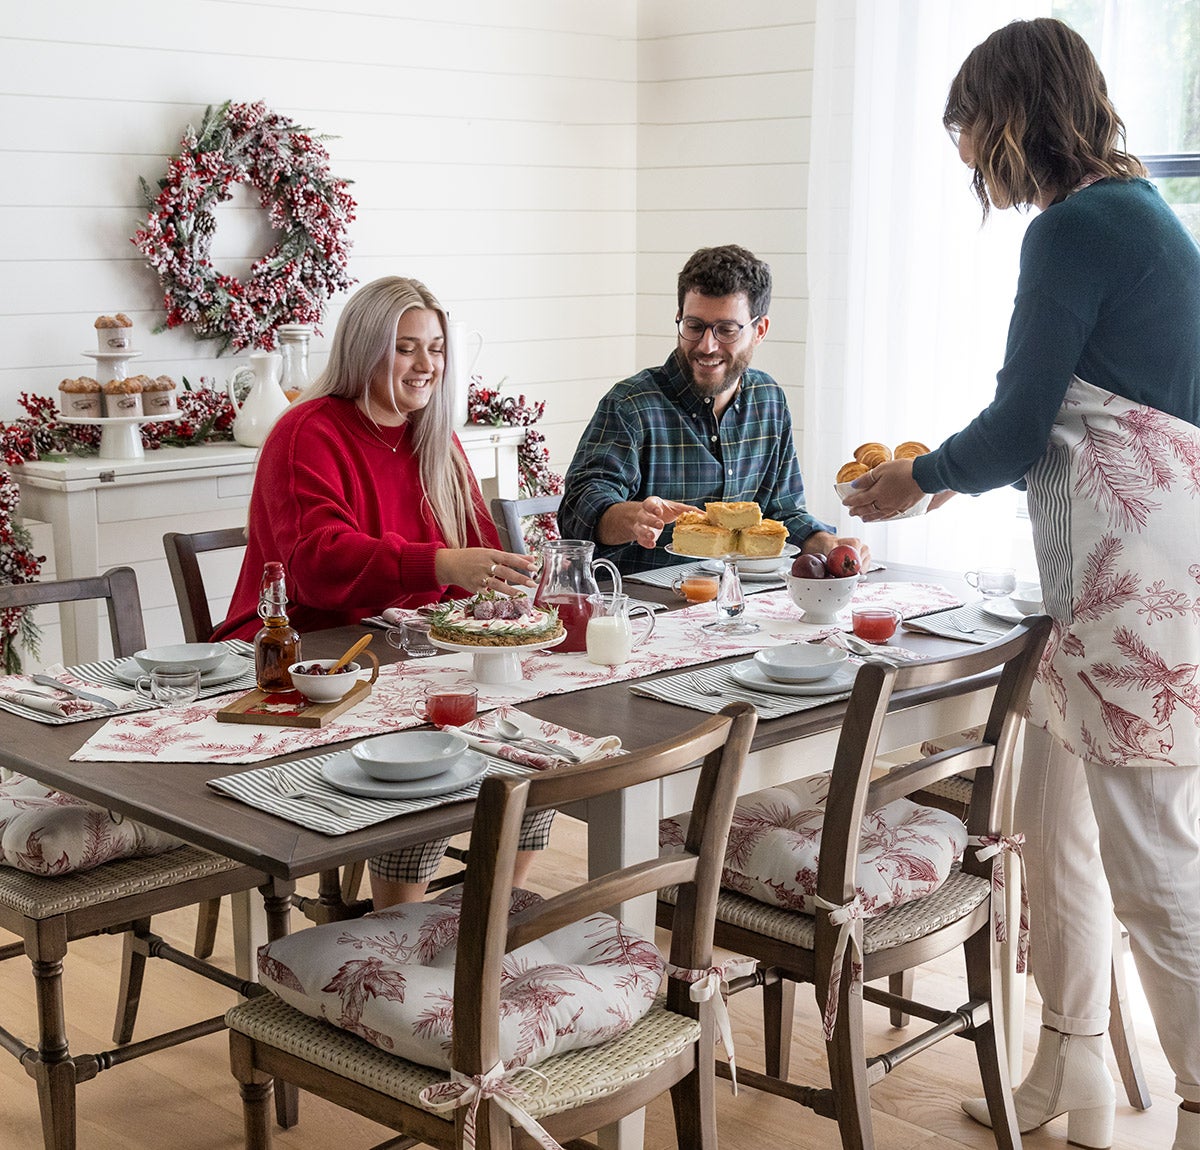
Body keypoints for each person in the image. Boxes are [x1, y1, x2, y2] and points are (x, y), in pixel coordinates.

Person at [843, 20, 1200, 1150]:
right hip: (1108, 589)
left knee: (1152, 867)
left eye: (966, 131)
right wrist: (956, 474)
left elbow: (1015, 424)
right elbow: (1059, 417)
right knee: (1059, 836)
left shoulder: (1077, 226)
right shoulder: (1137, 215)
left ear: (1011, 118)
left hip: (1132, 598)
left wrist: (917, 479)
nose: (964, 161)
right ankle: (1068, 1061)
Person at [212, 276, 548, 910]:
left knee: (527, 754)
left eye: (437, 348)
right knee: (414, 762)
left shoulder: (433, 438)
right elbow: (314, 560)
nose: (427, 365)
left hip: (405, 651)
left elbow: (478, 549)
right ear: (365, 348)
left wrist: (512, 582)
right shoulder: (307, 432)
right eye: (406, 347)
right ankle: (400, 931)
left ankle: (487, 920)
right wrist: (441, 562)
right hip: (308, 656)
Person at [559, 244, 867, 573]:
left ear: (759, 331)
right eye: (694, 326)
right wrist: (632, 518)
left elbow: (783, 512)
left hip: (741, 602)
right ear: (679, 319)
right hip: (645, 608)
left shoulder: (769, 399)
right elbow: (577, 512)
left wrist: (827, 544)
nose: (707, 346)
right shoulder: (631, 405)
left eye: (726, 330)